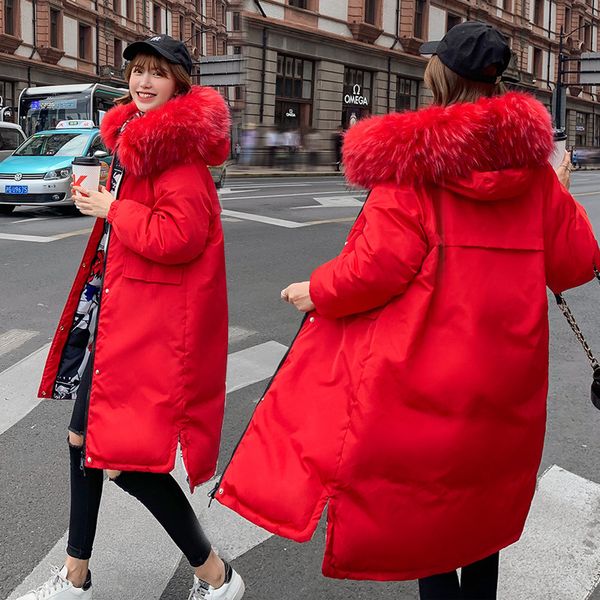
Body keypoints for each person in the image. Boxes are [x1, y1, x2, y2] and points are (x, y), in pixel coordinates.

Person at [212, 21, 599, 600]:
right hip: (506, 387)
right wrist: (559, 191)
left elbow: (374, 269)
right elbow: (577, 263)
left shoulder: (416, 167)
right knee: (480, 521)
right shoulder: (536, 176)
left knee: (433, 532)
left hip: (425, 383)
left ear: (439, 76)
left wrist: (313, 289)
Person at [24, 35, 244, 600]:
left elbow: (180, 236)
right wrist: (103, 201)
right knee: (84, 440)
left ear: (179, 84)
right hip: (121, 316)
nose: (142, 82)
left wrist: (112, 208)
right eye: (137, 71)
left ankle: (215, 574)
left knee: (125, 462)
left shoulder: (178, 159)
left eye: (157, 73)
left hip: (151, 331)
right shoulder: (137, 146)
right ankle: (76, 573)